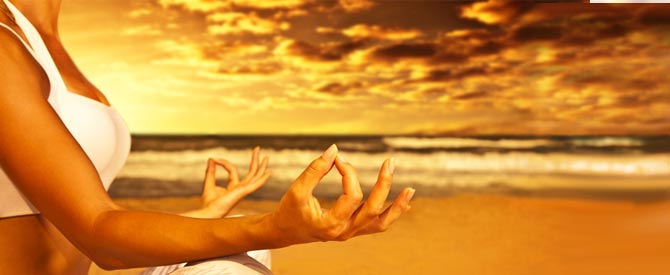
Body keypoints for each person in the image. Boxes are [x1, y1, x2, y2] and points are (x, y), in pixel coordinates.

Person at [0, 0, 415, 274]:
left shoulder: (41, 39)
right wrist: (279, 227)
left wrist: (205, 216)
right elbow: (98, 233)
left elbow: (85, 219)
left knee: (235, 248)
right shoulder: (4, 43)